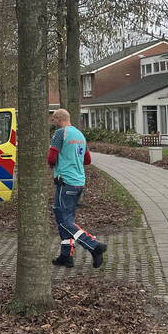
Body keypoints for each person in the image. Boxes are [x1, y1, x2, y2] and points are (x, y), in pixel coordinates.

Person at [48, 108, 107, 268]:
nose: (52, 123)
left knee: (64, 221)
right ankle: (66, 256)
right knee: (66, 220)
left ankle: (94, 246)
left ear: (59, 119)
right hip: (79, 181)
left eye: (53, 120)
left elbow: (51, 157)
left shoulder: (60, 133)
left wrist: (53, 164)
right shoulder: (80, 135)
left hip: (65, 181)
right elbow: (87, 159)